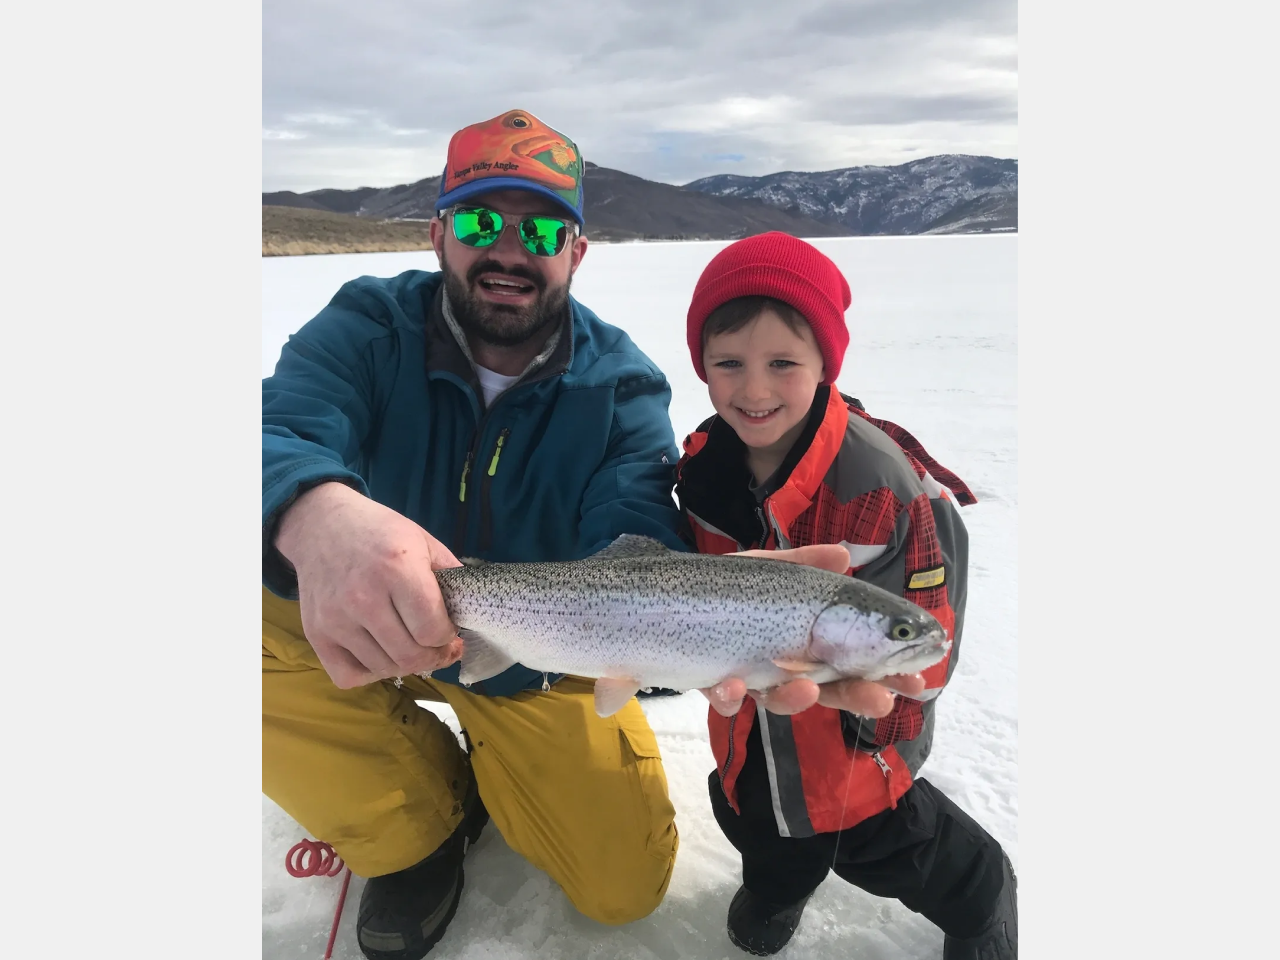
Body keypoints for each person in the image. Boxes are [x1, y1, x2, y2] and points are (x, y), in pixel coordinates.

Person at [262, 111, 920, 960]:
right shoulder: (366, 328)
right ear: (437, 233)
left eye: (540, 227)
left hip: (539, 654)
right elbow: (275, 426)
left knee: (620, 887)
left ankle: (488, 753)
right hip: (358, 604)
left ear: (575, 251)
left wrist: (713, 611)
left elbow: (634, 523)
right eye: (478, 222)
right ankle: (416, 834)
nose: (508, 249)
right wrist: (319, 514)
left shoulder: (617, 384)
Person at [673, 232, 1018, 958]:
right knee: (761, 832)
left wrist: (883, 709)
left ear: (825, 363)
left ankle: (983, 911)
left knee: (930, 862)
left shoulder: (885, 486)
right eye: (728, 364)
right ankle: (776, 890)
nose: (754, 389)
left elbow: (927, 641)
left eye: (782, 364)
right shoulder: (703, 471)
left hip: (857, 758)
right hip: (747, 738)